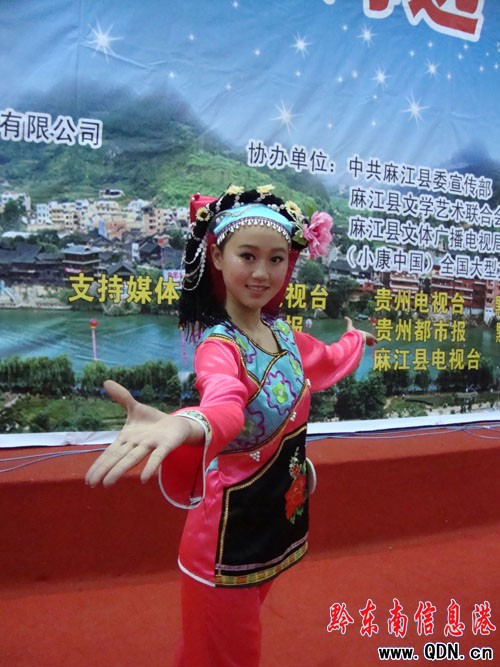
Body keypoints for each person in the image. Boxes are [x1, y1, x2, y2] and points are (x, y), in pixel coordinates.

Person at [86, 184, 376, 667]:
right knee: (228, 656)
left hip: (271, 520)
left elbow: (326, 359)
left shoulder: (284, 336)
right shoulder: (219, 348)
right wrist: (188, 424)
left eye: (276, 259)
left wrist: (355, 340)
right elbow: (224, 404)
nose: (263, 273)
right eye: (248, 256)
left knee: (207, 653)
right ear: (218, 257)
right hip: (225, 539)